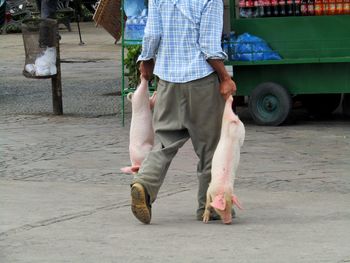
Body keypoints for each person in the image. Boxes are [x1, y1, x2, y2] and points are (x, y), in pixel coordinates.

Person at [131, 0, 237, 224]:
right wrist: (225, 77)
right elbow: (208, 45)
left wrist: (146, 60)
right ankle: (211, 206)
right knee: (211, 147)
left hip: (167, 82)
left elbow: (152, 35)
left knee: (163, 142)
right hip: (201, 82)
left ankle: (144, 184)